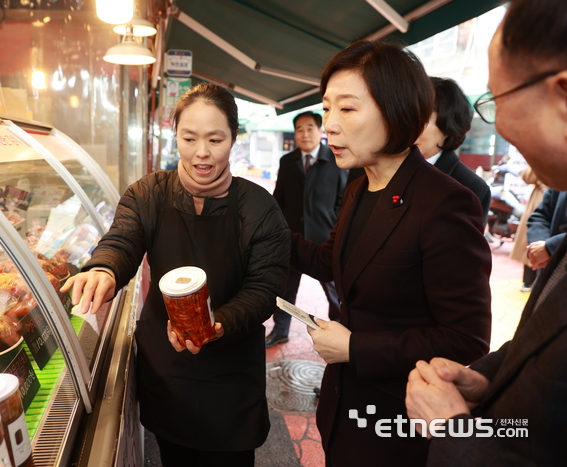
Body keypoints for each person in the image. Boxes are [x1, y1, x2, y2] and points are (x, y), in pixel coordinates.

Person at [60, 83, 290, 467]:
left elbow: (265, 289)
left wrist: (216, 324)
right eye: (190, 138)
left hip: (230, 373)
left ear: (234, 137)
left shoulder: (259, 208)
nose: (202, 152)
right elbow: (122, 239)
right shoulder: (148, 193)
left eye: (216, 139)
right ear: (176, 135)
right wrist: (104, 267)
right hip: (168, 365)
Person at [291, 40, 492, 467]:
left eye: (347, 109)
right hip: (342, 407)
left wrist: (356, 348)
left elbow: (466, 338)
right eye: (326, 108)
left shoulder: (445, 202)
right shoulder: (361, 185)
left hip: (398, 424)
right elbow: (331, 261)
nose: (329, 125)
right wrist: (263, 233)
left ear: (397, 110)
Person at [405, 0, 567, 465]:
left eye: (496, 99)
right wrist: (490, 379)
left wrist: (453, 430)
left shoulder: (462, 190)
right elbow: (544, 344)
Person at [268, 111, 347, 347]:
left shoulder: (336, 159)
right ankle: (280, 330)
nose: (304, 133)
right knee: (285, 291)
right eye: (299, 129)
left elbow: (343, 199)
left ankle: (340, 332)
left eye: (310, 128)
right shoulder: (287, 161)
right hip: (291, 240)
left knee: (335, 293)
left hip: (326, 240)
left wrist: (334, 223)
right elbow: (278, 198)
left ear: (320, 130)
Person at [415, 77, 491, 226]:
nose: (409, 128)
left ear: (448, 124)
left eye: (421, 118)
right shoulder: (375, 170)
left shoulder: (470, 188)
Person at [509, 166, 545, 292]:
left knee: (536, 238)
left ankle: (533, 282)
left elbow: (528, 177)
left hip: (545, 199)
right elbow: (528, 177)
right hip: (543, 199)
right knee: (533, 239)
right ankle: (530, 281)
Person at [526, 188, 567, 272]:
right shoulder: (561, 179)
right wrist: (539, 247)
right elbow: (539, 216)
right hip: (549, 270)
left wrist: (551, 247)